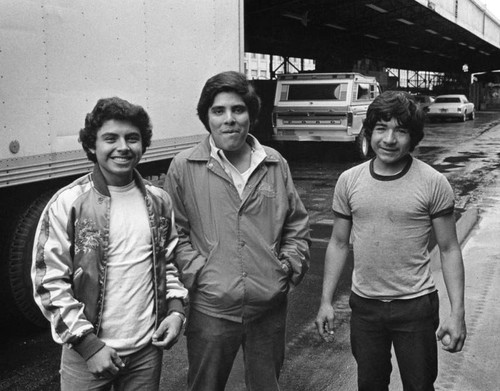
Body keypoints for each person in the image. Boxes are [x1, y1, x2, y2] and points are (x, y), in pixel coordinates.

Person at [164, 70, 311, 391]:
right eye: (218, 111)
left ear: (250, 116)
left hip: (268, 307)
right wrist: (200, 275)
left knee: (265, 385)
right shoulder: (184, 167)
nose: (229, 119)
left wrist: (286, 265)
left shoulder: (273, 163)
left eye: (238, 109)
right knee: (206, 385)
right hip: (211, 309)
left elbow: (296, 224)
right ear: (207, 118)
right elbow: (174, 233)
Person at [32, 97, 188, 390]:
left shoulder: (159, 201)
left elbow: (169, 263)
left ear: (143, 144)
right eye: (110, 138)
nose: (123, 147)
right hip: (86, 356)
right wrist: (89, 345)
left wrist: (176, 311)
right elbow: (49, 283)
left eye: (132, 138)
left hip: (146, 352)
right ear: (92, 146)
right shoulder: (68, 203)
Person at [315, 91, 467, 390]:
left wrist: (457, 313)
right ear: (369, 132)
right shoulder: (349, 180)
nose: (389, 139)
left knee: (420, 385)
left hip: (415, 307)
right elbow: (338, 243)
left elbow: (449, 249)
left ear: (414, 137)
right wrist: (325, 302)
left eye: (401, 130)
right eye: (381, 128)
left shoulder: (433, 182)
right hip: (365, 308)